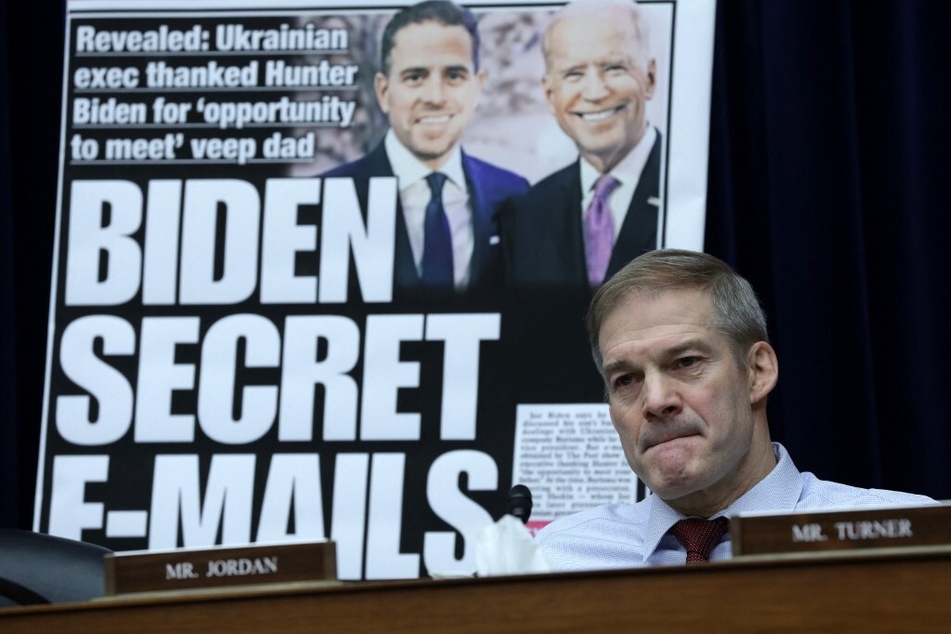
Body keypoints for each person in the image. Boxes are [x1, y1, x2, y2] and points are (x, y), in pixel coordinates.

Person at [535, 249, 937, 570]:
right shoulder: (553, 560)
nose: (656, 401)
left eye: (686, 362)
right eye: (626, 379)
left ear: (757, 372)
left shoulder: (911, 538)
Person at [323, 0, 529, 293]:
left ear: (477, 86)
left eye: (454, 76)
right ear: (384, 91)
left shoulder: (515, 196)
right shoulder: (328, 197)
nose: (435, 96)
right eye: (415, 77)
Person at [500, 0, 661, 288]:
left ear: (649, 78)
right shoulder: (526, 214)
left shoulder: (697, 190)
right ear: (550, 95)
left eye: (614, 67)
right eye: (574, 73)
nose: (596, 92)